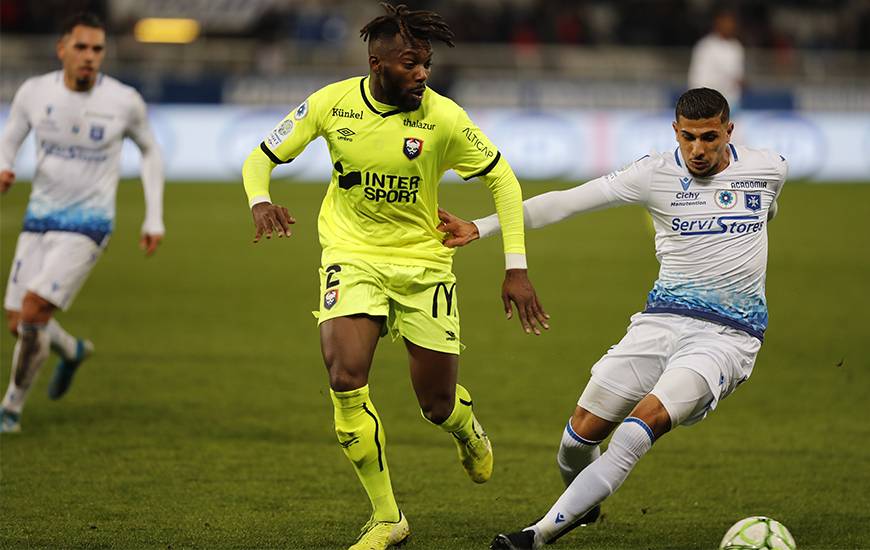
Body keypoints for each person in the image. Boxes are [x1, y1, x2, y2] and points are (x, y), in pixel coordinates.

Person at [240, 3, 548, 549]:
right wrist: (261, 199)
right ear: (376, 64)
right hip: (351, 255)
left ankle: (463, 425)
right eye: (411, 64)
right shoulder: (331, 104)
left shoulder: (444, 117)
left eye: (426, 63)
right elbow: (259, 158)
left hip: (424, 265)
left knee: (435, 404)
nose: (423, 74)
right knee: (344, 376)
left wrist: (516, 268)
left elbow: (504, 181)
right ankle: (388, 518)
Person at [437, 88, 787, 550]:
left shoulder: (768, 168)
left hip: (727, 337)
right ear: (675, 132)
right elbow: (564, 202)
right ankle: (584, 501)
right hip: (659, 323)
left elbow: (766, 213)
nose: (698, 150)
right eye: (688, 138)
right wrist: (481, 227)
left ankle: (538, 535)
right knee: (577, 440)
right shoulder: (653, 173)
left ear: (729, 131)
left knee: (641, 428)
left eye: (709, 137)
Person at [0, 13, 164, 434]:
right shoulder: (34, 92)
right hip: (40, 217)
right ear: (62, 49)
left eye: (97, 49)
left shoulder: (123, 100)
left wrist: (154, 216)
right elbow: (12, 133)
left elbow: (150, 151)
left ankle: (10, 409)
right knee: (19, 323)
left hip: (89, 224)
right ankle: (71, 350)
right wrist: (4, 165)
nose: (90, 57)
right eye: (81, 47)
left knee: (34, 311)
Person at [688, 8, 745, 109]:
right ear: (717, 23)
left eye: (731, 23)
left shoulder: (737, 47)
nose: (729, 26)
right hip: (709, 103)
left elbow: (737, 77)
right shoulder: (706, 46)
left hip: (731, 103)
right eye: (725, 22)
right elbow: (697, 79)